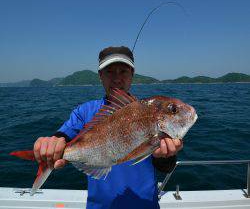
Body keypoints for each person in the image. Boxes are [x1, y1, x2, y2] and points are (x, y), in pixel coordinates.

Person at [33, 46, 183, 209]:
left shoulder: (149, 111)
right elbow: (62, 136)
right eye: (110, 71)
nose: (117, 78)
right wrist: (52, 144)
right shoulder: (84, 112)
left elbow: (165, 167)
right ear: (100, 76)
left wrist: (166, 156)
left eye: (123, 71)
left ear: (132, 74)